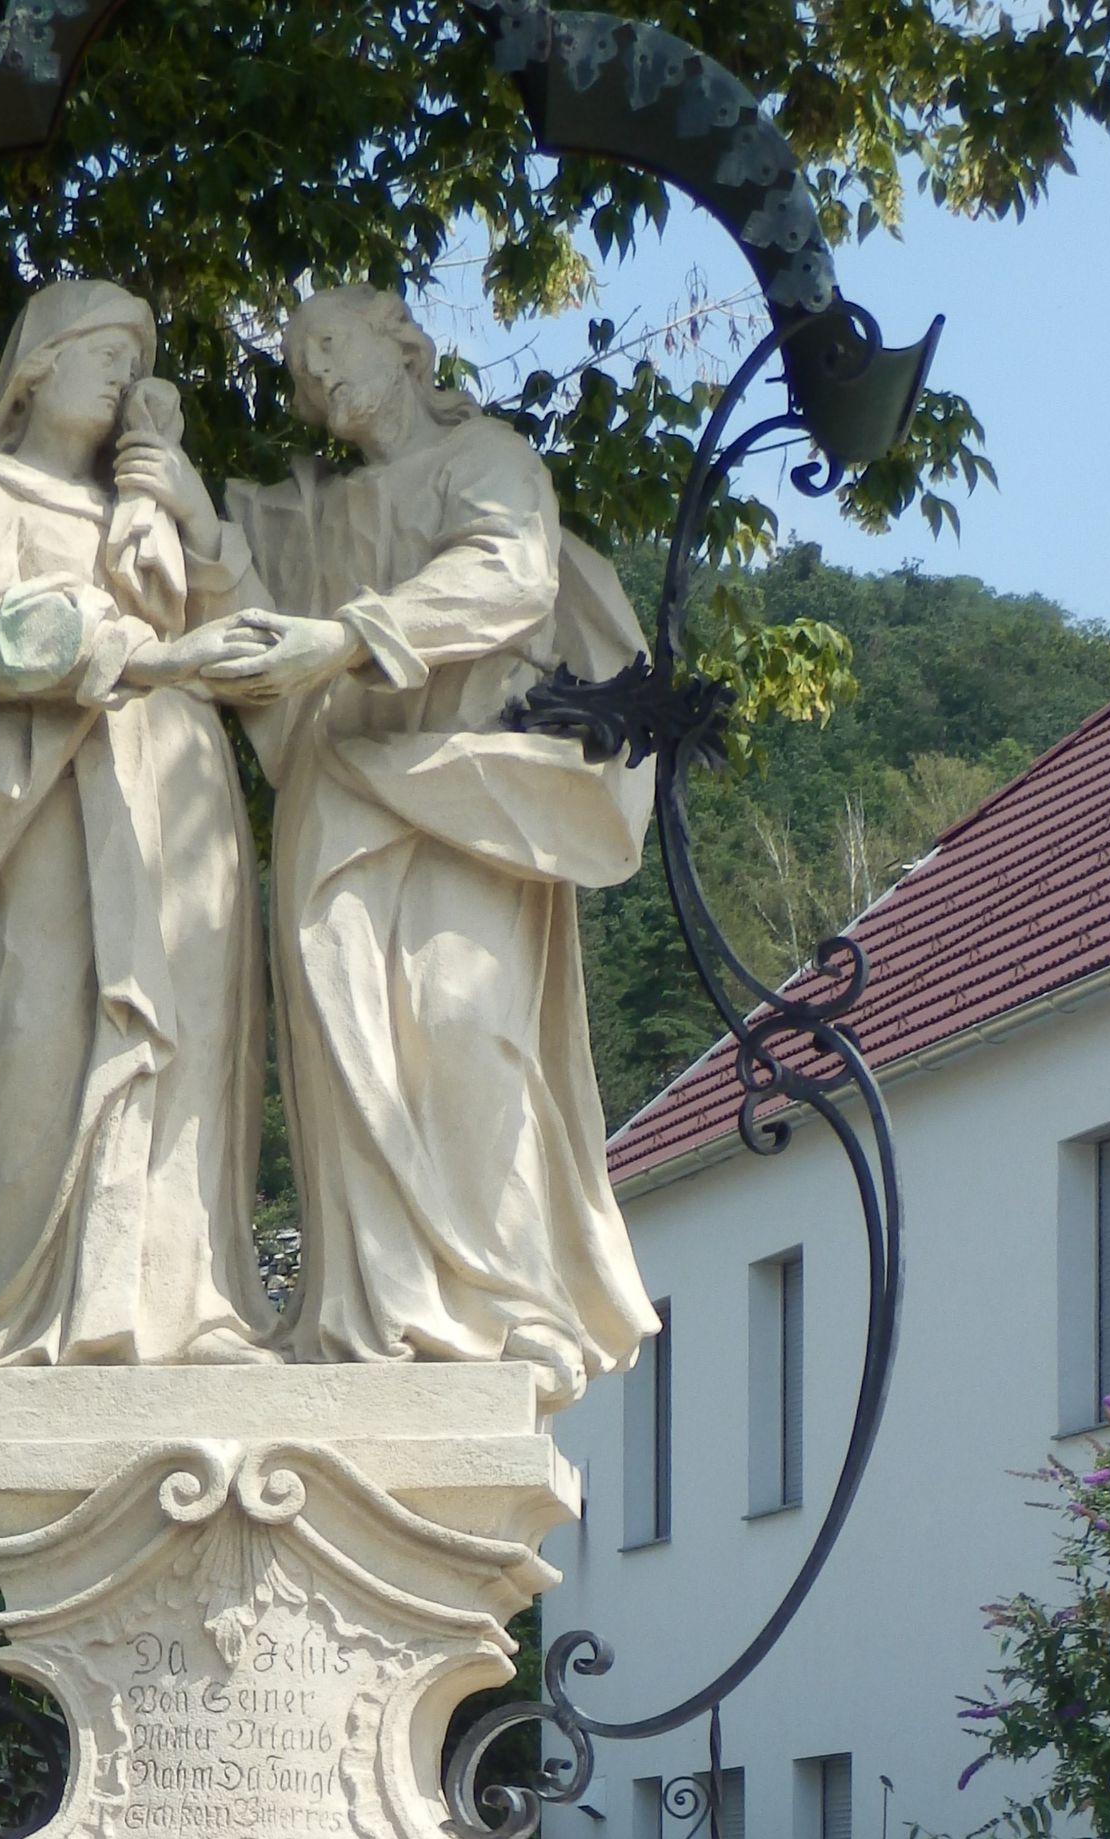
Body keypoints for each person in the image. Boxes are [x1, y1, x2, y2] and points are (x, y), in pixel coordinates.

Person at [213, 288, 660, 1403]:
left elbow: (510, 575)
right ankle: (375, 1310)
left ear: (401, 344)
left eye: (330, 344)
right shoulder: (302, 513)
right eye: (297, 365)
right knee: (347, 1043)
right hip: (338, 791)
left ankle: (505, 1303)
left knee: (466, 1022)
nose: (315, 374)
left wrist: (346, 635)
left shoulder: (485, 460)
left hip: (465, 789)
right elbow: (223, 586)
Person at [0, 281, 272, 1373]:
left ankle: (188, 1304)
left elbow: (256, 654)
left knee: (193, 1037)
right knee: (42, 1034)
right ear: (39, 365)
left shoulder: (149, 500)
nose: (123, 376)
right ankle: (19, 1319)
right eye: (105, 352)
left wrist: (195, 516)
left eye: (134, 361)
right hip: (55, 781)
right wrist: (119, 644)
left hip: (181, 785)